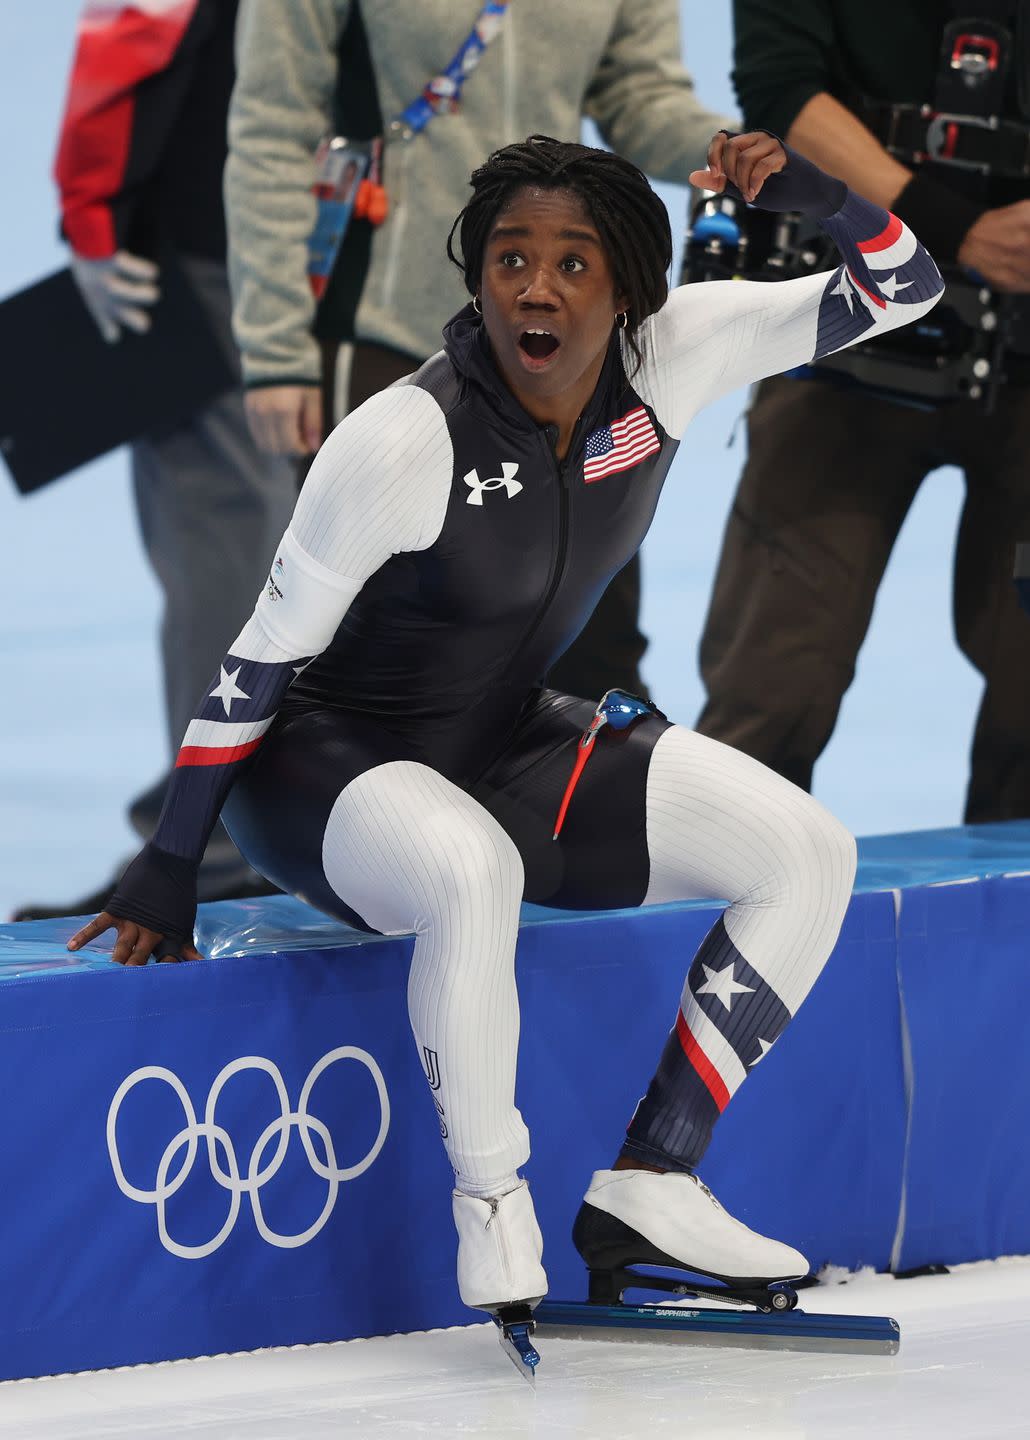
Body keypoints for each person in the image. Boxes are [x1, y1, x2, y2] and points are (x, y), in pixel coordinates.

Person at [68, 133, 942, 1316]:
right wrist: (169, 863)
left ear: (627, 285)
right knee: (471, 870)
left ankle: (652, 1180)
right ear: (476, 277)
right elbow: (256, 662)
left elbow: (905, 288)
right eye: (509, 259)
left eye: (573, 264)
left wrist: (818, 197)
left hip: (496, 735)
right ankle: (492, 1200)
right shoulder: (400, 438)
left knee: (805, 852)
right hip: (328, 766)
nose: (535, 287)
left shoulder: (669, 355)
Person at [225, 0, 735, 704]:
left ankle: (575, 812)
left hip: (556, 346)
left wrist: (735, 154)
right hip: (384, 329)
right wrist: (275, 346)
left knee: (590, 647)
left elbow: (640, 98)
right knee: (380, 657)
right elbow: (272, 128)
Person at [696, 0, 1030, 822]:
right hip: (847, 327)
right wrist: (956, 227)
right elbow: (779, 91)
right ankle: (715, 923)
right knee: (772, 688)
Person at [13, 0, 295, 922]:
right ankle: (277, 825)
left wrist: (94, 220)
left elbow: (134, 34)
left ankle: (214, 840)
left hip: (210, 242)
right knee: (298, 537)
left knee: (224, 540)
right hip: (319, 234)